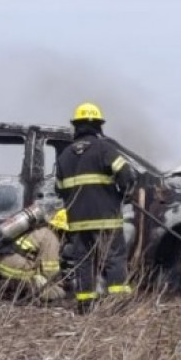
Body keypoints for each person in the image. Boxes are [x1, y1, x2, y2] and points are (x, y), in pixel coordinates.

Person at [55, 102, 137, 314]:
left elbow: (59, 189)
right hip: (106, 218)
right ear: (98, 126)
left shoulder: (64, 156)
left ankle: (85, 305)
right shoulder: (104, 149)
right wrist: (123, 193)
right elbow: (127, 174)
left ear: (76, 126)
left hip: (77, 221)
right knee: (114, 260)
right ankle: (118, 305)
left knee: (83, 262)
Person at [0, 209, 67, 302]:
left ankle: (11, 286)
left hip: (4, 260)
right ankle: (22, 288)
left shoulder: (40, 228)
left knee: (35, 272)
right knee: (58, 293)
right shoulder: (52, 238)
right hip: (14, 265)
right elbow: (50, 270)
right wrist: (59, 283)